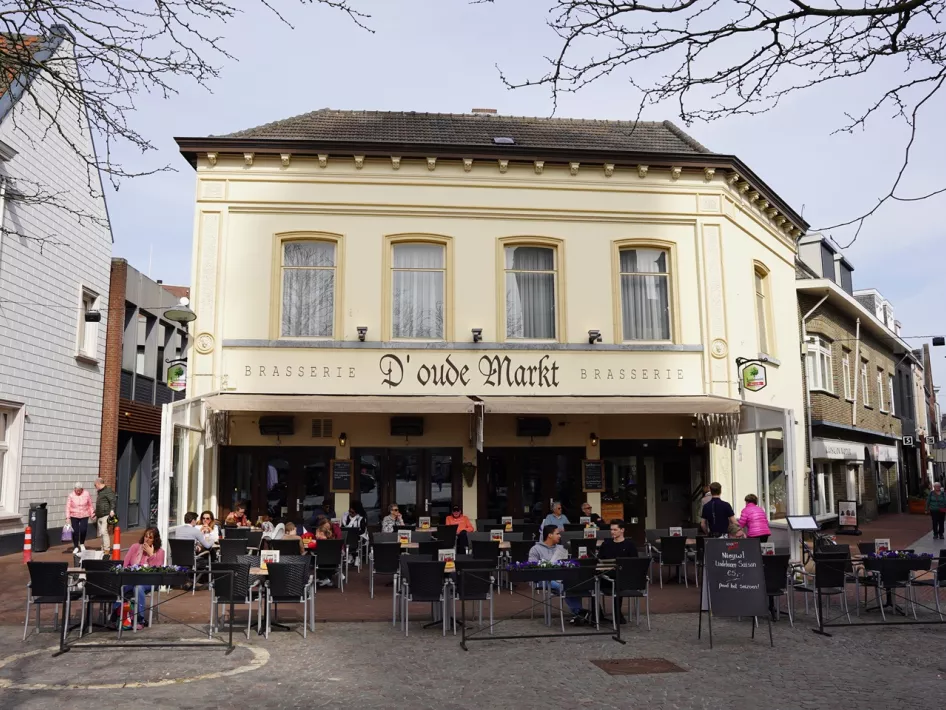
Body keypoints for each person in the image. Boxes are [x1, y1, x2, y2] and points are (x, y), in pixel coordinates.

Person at [529, 525, 588, 624]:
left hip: (561, 577)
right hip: (543, 578)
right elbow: (531, 567)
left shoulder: (561, 548)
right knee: (564, 586)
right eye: (557, 534)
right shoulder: (535, 549)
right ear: (550, 535)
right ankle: (579, 612)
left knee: (573, 583)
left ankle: (579, 614)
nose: (560, 536)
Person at [596, 519, 639, 624]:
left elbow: (635, 563)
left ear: (622, 530)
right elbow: (599, 560)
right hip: (607, 575)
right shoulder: (606, 545)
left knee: (618, 579)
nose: (612, 532)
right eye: (611, 530)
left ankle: (617, 613)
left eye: (615, 530)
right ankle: (597, 613)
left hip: (624, 577)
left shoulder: (630, 545)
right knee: (592, 581)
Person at [122, 527, 165, 630]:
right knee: (121, 587)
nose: (147, 539)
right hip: (134, 578)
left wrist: (151, 555)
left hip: (150, 581)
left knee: (139, 588)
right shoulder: (135, 547)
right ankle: (119, 618)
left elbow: (157, 570)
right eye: (146, 536)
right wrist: (132, 569)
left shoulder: (160, 552)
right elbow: (125, 565)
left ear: (155, 540)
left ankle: (139, 619)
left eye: (150, 538)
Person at [66, 482, 94, 555]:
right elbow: (68, 507)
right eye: (76, 490)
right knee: (75, 531)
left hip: (84, 514)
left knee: (83, 530)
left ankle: (82, 543)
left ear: (82, 489)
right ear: (74, 489)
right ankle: (75, 546)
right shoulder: (71, 495)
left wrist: (92, 514)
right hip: (74, 515)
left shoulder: (86, 494)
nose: (78, 492)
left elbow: (90, 505)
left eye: (79, 490)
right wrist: (67, 517)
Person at [92, 477, 116, 553]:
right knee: (101, 533)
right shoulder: (100, 492)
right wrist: (95, 512)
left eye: (95, 485)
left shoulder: (108, 491)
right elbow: (101, 503)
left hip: (106, 514)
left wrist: (112, 510)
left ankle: (107, 549)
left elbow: (112, 501)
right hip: (99, 515)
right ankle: (103, 548)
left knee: (103, 531)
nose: (95, 487)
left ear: (98, 484)